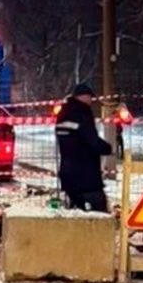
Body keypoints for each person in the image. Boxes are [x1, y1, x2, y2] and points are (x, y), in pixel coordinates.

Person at [55, 83, 113, 213]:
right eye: (89, 97)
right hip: (86, 177)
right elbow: (91, 141)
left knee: (77, 214)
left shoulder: (63, 114)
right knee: (98, 214)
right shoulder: (82, 113)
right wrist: (107, 148)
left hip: (68, 175)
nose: (90, 101)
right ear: (83, 96)